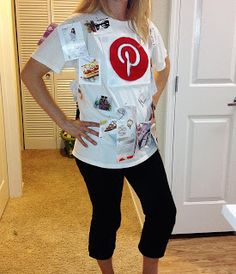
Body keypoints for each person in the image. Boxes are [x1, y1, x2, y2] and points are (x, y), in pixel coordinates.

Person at [21, 0, 177, 273]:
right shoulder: (77, 27)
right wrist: (65, 122)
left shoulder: (145, 28)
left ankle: (149, 271)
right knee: (107, 219)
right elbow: (31, 74)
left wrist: (154, 100)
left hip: (142, 144)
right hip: (99, 149)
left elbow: (163, 67)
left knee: (163, 212)